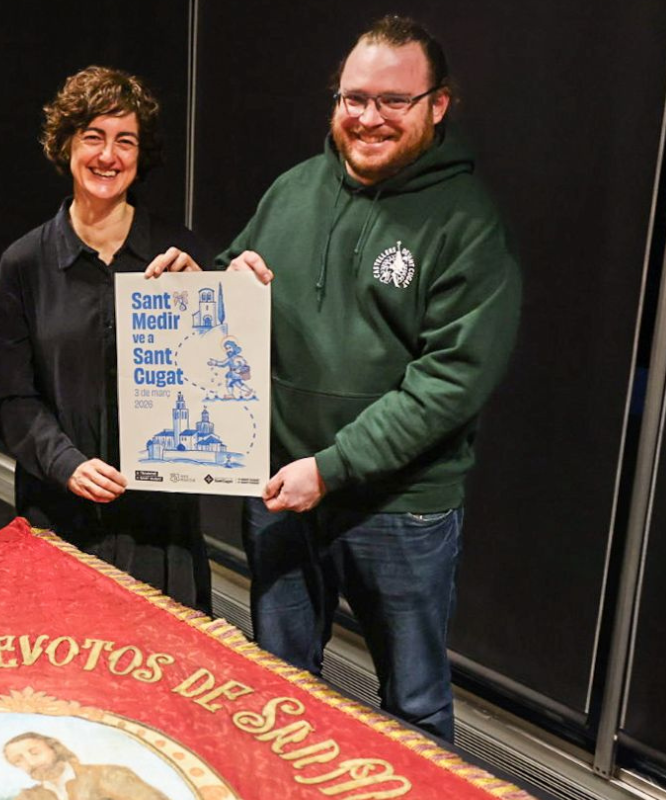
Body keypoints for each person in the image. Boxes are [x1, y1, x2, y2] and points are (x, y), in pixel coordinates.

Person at [220, 16, 522, 740]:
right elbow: (240, 287)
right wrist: (229, 281)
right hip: (283, 490)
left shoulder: (467, 223)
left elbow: (449, 381)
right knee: (280, 689)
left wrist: (333, 467)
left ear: (437, 105)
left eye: (394, 100)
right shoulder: (293, 189)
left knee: (413, 708)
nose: (369, 118)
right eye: (355, 97)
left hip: (400, 506)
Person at [0, 66, 211, 612]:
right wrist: (66, 463)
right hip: (60, 512)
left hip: (161, 525)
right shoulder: (24, 263)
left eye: (124, 140)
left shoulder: (181, 254)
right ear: (66, 145)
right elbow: (12, 397)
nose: (108, 155)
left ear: (140, 155)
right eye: (93, 137)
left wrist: (211, 306)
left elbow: (222, 379)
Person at [2, 732, 170, 800]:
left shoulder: (109, 774)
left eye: (35, 752)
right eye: (19, 760)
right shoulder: (29, 798)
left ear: (54, 748)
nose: (30, 763)